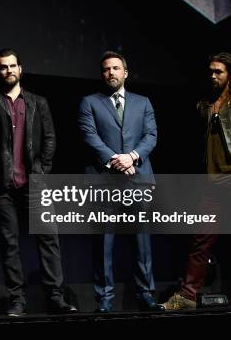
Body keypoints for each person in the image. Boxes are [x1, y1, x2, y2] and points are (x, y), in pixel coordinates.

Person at [0, 49, 77, 316]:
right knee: (10, 244)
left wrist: (42, 170)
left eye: (12, 66)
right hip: (3, 185)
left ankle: (55, 298)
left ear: (21, 68)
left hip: (35, 183)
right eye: (3, 67)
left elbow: (50, 138)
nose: (8, 71)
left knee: (49, 239)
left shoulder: (38, 102)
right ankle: (17, 301)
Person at [162, 52, 231, 311]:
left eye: (218, 71)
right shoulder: (208, 103)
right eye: (210, 71)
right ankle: (187, 295)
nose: (213, 76)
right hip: (212, 182)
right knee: (201, 239)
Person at [77, 51, 162, 312]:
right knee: (104, 243)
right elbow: (89, 136)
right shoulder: (89, 102)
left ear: (125, 72)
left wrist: (132, 157)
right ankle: (104, 299)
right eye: (106, 69)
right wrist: (116, 159)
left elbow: (151, 135)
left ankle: (146, 294)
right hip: (105, 180)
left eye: (115, 68)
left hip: (138, 179)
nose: (110, 73)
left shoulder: (143, 102)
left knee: (142, 242)